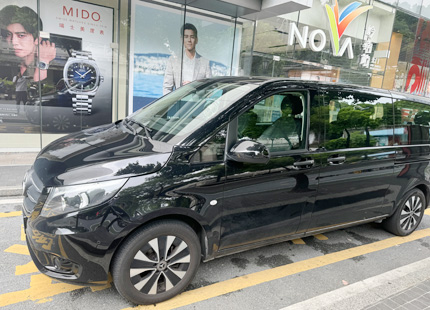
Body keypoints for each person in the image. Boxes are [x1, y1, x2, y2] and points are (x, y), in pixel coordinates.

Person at [0, 5, 56, 82]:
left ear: (37, 39)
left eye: (21, 35)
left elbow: (40, 90)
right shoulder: (8, 64)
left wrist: (43, 62)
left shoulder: (53, 66)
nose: (13, 42)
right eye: (8, 34)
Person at [163, 23, 211, 95]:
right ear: (182, 40)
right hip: (179, 104)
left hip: (197, 104)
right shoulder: (173, 61)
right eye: (186, 37)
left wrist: (194, 88)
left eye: (192, 37)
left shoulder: (205, 63)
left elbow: (209, 90)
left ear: (196, 40)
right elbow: (167, 88)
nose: (189, 40)